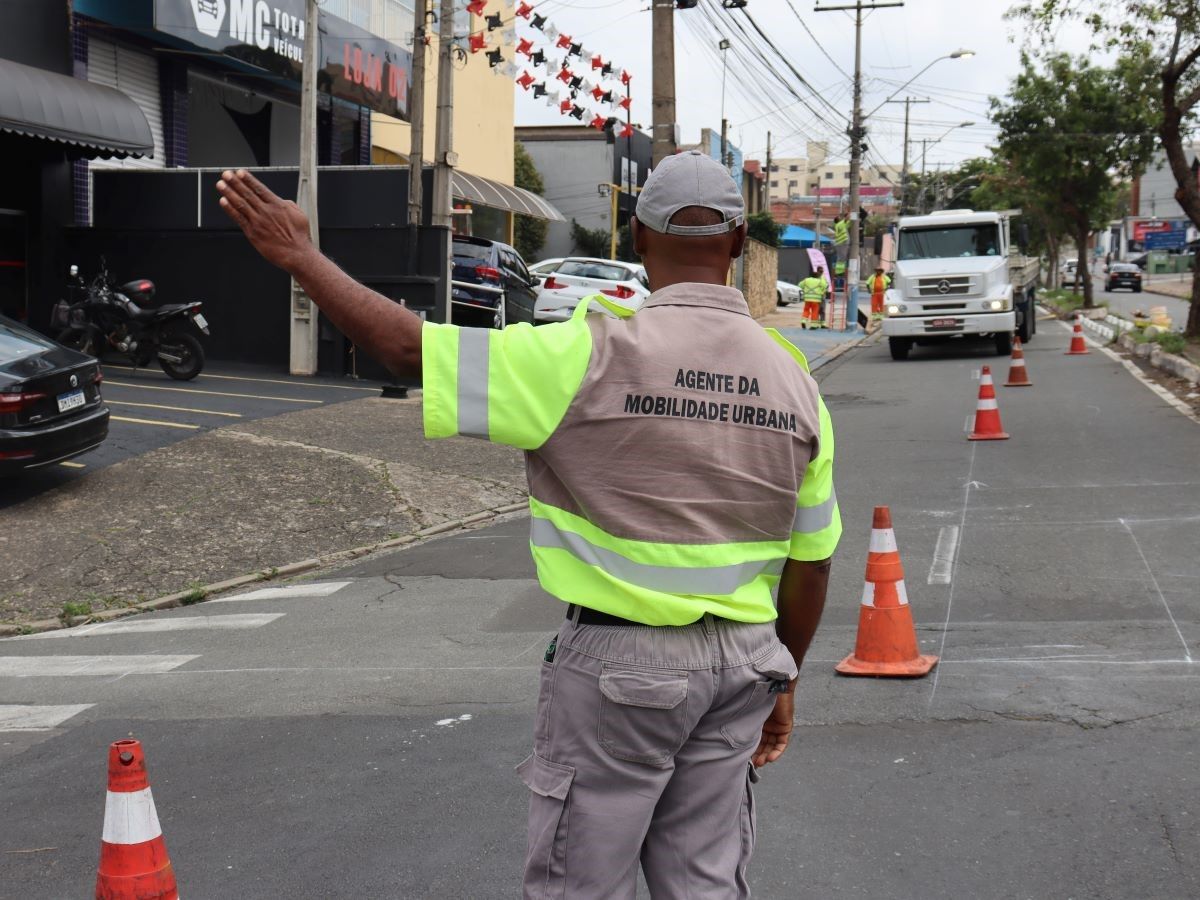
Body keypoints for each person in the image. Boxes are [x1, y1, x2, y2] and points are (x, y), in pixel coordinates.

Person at [215, 150, 840, 899]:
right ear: (739, 243)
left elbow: (408, 347)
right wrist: (786, 678)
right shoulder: (794, 382)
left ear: (636, 240)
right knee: (706, 883)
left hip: (620, 669)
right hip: (744, 665)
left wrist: (300, 257)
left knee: (582, 885)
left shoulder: (585, 352)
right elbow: (813, 564)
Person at [799, 264, 829, 329]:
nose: (821, 272)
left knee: (806, 310)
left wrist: (806, 291)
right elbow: (826, 286)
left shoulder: (807, 280)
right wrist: (821, 291)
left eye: (822, 271)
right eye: (820, 271)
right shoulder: (819, 280)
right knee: (815, 312)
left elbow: (800, 285)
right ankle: (814, 325)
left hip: (808, 299)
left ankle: (803, 321)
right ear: (817, 272)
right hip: (817, 299)